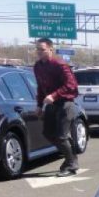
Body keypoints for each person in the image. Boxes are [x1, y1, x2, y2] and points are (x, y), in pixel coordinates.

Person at [33, 37, 80, 177]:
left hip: (66, 103)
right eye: (37, 49)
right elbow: (41, 88)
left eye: (42, 49)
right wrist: (39, 105)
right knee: (48, 133)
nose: (39, 52)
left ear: (50, 49)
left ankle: (71, 164)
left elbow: (71, 85)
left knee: (61, 136)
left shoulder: (60, 64)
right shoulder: (38, 66)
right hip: (51, 105)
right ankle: (70, 158)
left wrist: (54, 95)